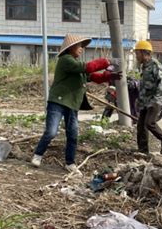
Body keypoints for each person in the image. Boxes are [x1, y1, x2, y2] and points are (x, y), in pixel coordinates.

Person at [31, 34, 120, 175]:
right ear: (71, 47)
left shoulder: (78, 67)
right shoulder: (66, 60)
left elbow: (92, 77)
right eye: (80, 46)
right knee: (51, 131)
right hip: (58, 101)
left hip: (72, 104)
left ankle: (70, 162)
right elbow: (89, 67)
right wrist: (107, 61)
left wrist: (109, 76)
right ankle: (38, 154)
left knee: (73, 134)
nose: (82, 49)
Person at [134, 40, 162, 155]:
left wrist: (156, 99)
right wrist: (139, 100)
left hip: (155, 100)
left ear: (144, 52)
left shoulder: (155, 64)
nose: (136, 56)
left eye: (137, 53)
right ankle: (143, 151)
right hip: (146, 101)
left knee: (150, 123)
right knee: (141, 126)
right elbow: (144, 86)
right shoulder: (144, 66)